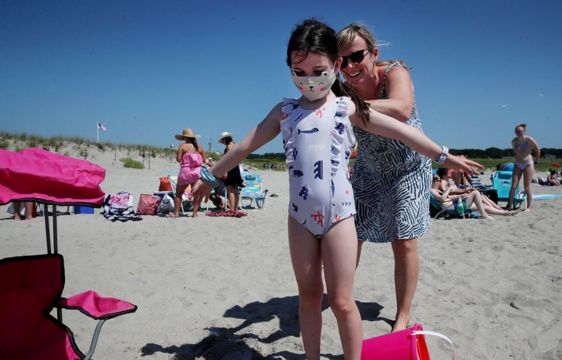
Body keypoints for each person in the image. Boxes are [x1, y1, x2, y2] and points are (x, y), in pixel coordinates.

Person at [192, 19, 481, 359]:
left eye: (318, 70)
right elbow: (244, 146)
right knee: (309, 297)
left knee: (343, 301)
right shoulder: (284, 111)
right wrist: (209, 176)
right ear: (289, 69)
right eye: (299, 71)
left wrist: (445, 156)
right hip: (299, 219)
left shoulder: (346, 108)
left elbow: (402, 131)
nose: (309, 80)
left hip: (340, 217)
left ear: (337, 65)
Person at [337, 23, 430, 331]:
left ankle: (402, 315)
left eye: (356, 56)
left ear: (373, 54)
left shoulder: (394, 72)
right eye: (342, 61)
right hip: (368, 168)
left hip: (408, 167)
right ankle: (342, 297)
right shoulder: (342, 89)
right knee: (352, 236)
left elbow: (402, 109)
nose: (350, 66)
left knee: (403, 242)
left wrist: (348, 107)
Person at [431, 175, 518, 219]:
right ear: (434, 181)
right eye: (439, 180)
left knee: (482, 206)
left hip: (455, 205)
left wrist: (461, 195)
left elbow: (448, 198)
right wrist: (449, 188)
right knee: (476, 193)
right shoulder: (432, 191)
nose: (440, 182)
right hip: (452, 209)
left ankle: (505, 213)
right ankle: (484, 215)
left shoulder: (439, 191)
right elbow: (442, 199)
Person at [172, 128, 204, 218]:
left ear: (185, 137)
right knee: (196, 194)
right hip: (197, 172)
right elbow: (204, 160)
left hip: (185, 171)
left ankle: (177, 213)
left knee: (179, 194)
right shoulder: (200, 147)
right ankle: (194, 213)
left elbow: (178, 159)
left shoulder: (182, 146)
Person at [507, 123, 540, 210]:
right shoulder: (513, 141)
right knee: (513, 186)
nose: (519, 133)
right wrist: (517, 160)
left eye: (520, 131)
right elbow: (515, 153)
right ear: (515, 132)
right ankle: (509, 205)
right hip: (518, 164)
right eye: (517, 131)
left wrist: (537, 160)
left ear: (524, 132)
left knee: (526, 186)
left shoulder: (529, 140)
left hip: (528, 163)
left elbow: (537, 149)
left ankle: (528, 207)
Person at [219, 132, 245, 211]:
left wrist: (225, 171)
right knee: (236, 190)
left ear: (225, 139)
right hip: (236, 168)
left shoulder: (228, 147)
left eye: (222, 140)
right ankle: (235, 209)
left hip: (230, 169)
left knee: (230, 190)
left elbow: (227, 160)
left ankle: (231, 209)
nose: (222, 142)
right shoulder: (235, 145)